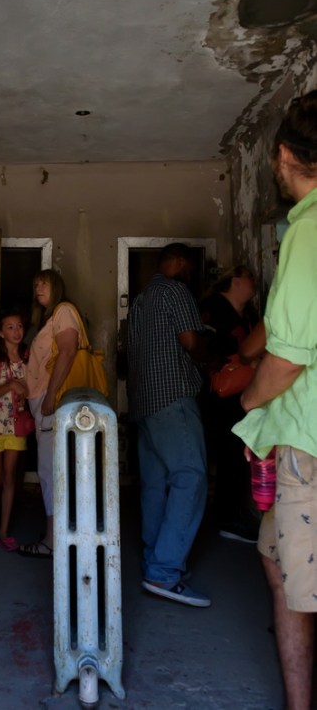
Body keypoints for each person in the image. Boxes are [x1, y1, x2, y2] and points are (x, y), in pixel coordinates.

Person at [234, 90, 317, 710]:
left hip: (306, 443)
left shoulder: (308, 230)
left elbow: (285, 359)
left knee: (298, 583)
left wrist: (248, 404)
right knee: (275, 557)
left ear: (285, 155)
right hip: (298, 438)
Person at [127, 243, 211, 608]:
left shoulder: (141, 300)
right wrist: (212, 361)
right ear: (177, 262)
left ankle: (153, 561)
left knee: (155, 485)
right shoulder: (176, 291)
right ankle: (164, 571)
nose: (190, 272)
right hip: (172, 397)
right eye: (188, 265)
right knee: (191, 475)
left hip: (144, 404)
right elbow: (190, 341)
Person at [19, 269, 82, 559]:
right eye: (34, 283)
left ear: (56, 286)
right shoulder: (47, 318)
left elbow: (68, 352)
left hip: (51, 402)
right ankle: (62, 534)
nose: (37, 287)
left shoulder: (64, 311)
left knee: (50, 471)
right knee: (54, 469)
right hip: (43, 401)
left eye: (43, 282)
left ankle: (53, 539)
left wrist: (52, 395)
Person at [200, 266, 259, 543]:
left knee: (237, 456)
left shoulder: (248, 314)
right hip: (221, 394)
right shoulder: (212, 308)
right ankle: (228, 519)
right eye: (249, 277)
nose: (254, 282)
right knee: (228, 454)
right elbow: (204, 348)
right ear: (235, 281)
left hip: (245, 394)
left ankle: (233, 515)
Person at [0, 309, 30, 551]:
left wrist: (23, 389)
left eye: (19, 326)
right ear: (1, 332)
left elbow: (31, 391)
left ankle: (4, 530)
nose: (16, 331)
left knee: (10, 478)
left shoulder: (27, 357)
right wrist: (12, 385)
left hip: (17, 426)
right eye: (10, 327)